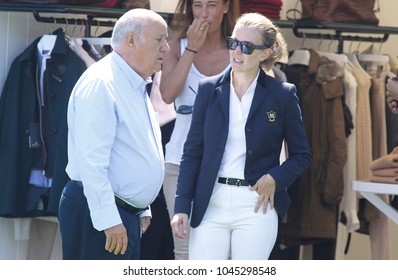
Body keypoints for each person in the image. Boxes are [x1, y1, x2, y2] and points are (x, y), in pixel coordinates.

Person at [170, 12, 311, 260]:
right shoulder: (207, 89)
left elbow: (301, 154)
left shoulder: (283, 94)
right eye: (233, 43)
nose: (237, 51)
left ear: (265, 53)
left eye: (246, 47)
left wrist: (275, 177)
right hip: (210, 202)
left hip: (256, 204)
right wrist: (181, 207)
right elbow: (192, 153)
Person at [58, 8, 170, 260]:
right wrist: (109, 220)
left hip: (119, 215)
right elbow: (91, 162)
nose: (167, 48)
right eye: (159, 39)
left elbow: (133, 149)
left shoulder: (132, 81)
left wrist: (140, 209)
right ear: (131, 40)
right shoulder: (103, 83)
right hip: (101, 216)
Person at [160, 0, 240, 260]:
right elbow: (168, 94)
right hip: (179, 164)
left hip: (226, 167)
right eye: (197, 6)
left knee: (222, 253)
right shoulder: (177, 48)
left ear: (226, 7)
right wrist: (191, 48)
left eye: (212, 5)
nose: (204, 14)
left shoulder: (237, 52)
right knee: (184, 250)